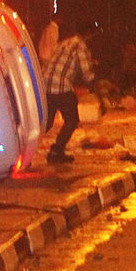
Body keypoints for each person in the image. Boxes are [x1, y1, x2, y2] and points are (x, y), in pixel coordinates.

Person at [43, 18, 95, 164]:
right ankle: (57, 150)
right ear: (89, 34)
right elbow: (87, 73)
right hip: (61, 86)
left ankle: (24, 148)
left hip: (46, 84)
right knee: (72, 121)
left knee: (46, 122)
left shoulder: (64, 42)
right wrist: (93, 83)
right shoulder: (80, 45)